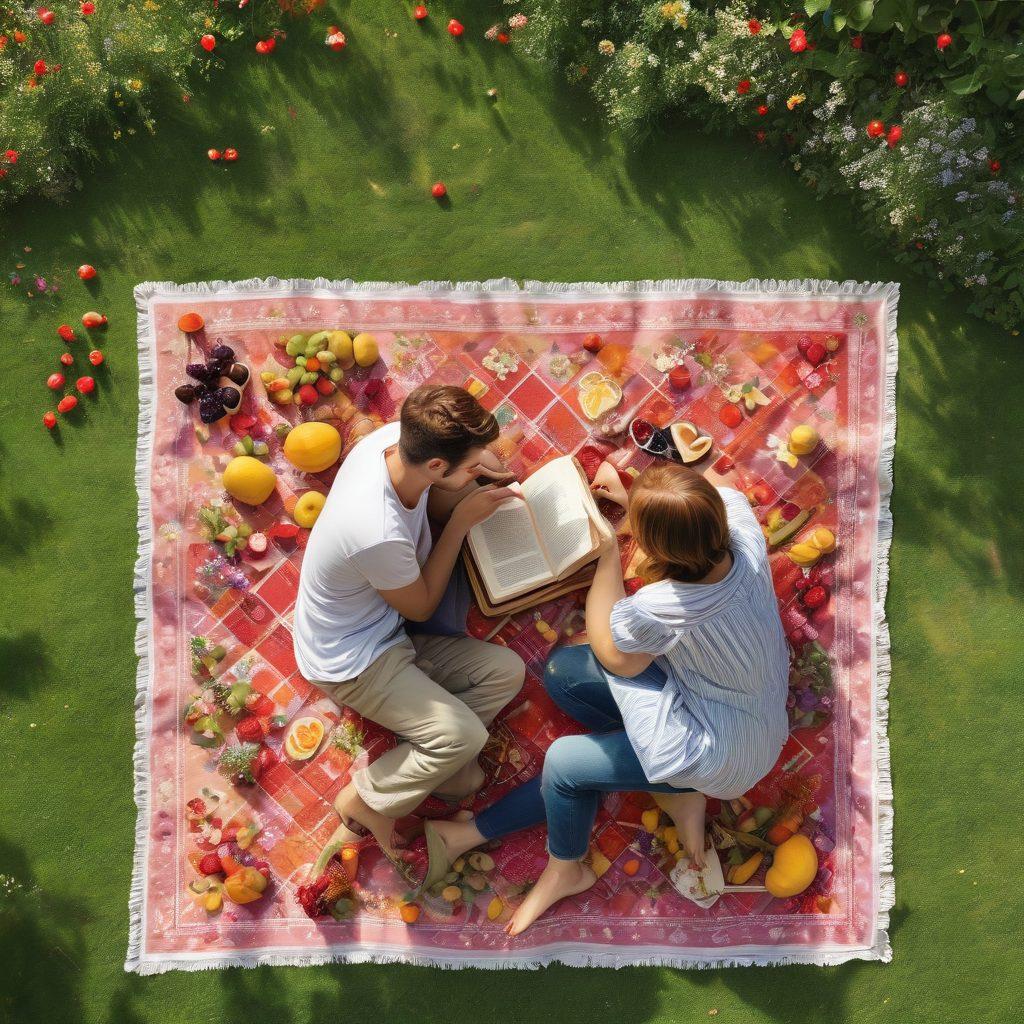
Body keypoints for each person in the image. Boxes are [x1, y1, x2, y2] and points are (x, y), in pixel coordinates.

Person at [425, 460, 790, 934]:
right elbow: (722, 485)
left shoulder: (664, 607)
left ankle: (566, 868)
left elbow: (615, 654)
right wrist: (643, 498)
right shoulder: (742, 535)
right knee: (564, 676)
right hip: (745, 712)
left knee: (563, 762)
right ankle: (677, 794)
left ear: (653, 548)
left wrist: (608, 556)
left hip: (718, 754)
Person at [293, 384, 527, 868]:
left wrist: (470, 481)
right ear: (438, 466)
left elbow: (429, 502)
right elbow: (420, 607)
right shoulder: (375, 530)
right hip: (354, 656)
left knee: (506, 672)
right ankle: (364, 800)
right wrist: (461, 521)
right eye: (467, 466)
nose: (474, 474)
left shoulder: (394, 442)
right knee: (463, 744)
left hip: (381, 624)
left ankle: (431, 749)